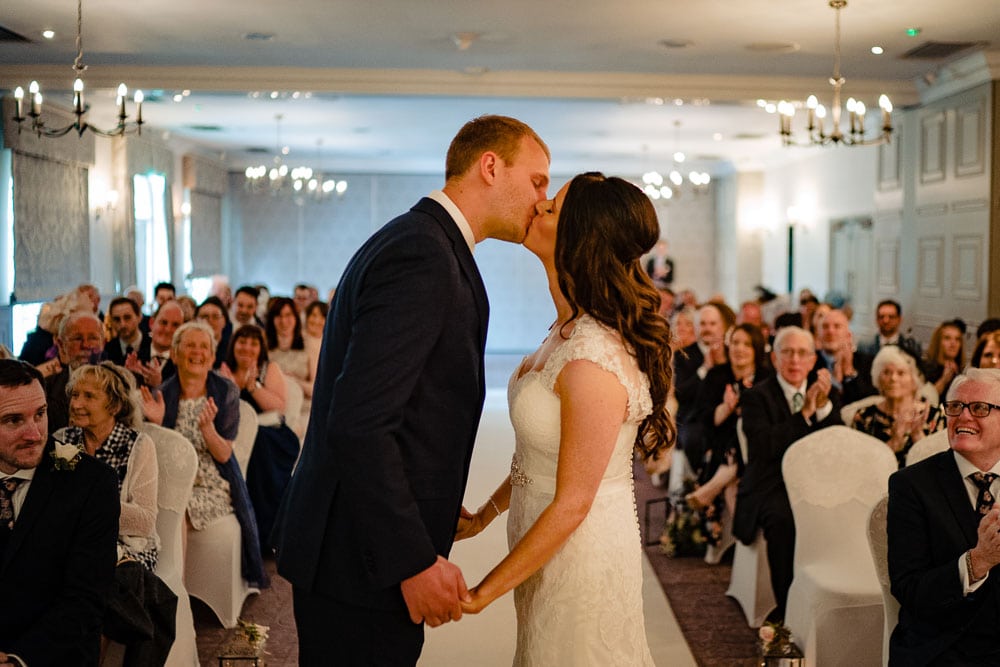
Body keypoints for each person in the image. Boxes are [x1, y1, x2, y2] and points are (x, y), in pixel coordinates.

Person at [271, 115, 550, 665]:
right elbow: (360, 424)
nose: (543, 200)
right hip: (360, 559)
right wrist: (412, 562)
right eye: (538, 180)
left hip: (359, 547)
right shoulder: (423, 254)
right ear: (490, 167)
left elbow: (412, 411)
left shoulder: (425, 242)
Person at [455, 173, 672, 664]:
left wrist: (480, 593)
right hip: (543, 542)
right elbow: (544, 454)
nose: (537, 207)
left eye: (551, 207)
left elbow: (574, 501)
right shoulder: (564, 329)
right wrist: (485, 516)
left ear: (581, 237)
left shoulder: (592, 357)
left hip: (580, 556)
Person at [0, 359, 119, 666]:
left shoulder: (89, 483)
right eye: (13, 420)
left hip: (48, 655)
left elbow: (85, 600)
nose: (35, 434)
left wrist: (17, 659)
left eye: (40, 414)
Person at [57, 362, 177, 664]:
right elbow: (58, 503)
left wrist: (88, 508)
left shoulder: (136, 445)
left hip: (128, 550)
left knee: (93, 595)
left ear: (113, 404)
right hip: (74, 545)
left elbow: (145, 520)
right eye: (75, 395)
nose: (77, 404)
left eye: (89, 396)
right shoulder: (66, 442)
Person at [141, 321, 267, 589]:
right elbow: (160, 456)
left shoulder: (225, 392)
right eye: (189, 345)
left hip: (212, 484)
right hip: (173, 480)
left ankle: (176, 592)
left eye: (203, 347)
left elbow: (224, 456)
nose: (196, 352)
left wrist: (208, 430)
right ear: (174, 354)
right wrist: (158, 424)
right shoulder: (162, 393)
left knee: (179, 508)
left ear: (212, 356)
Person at [887, 368, 1000, 665]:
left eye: (979, 408)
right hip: (944, 645)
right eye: (954, 407)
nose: (963, 417)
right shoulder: (912, 486)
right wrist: (978, 561)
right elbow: (909, 590)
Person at [733, 326, 842, 621]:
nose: (795, 360)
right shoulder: (756, 397)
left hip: (816, 485)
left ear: (812, 360)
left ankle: (831, 603)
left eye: (803, 353)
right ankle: (788, 610)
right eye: (788, 352)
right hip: (770, 484)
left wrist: (821, 408)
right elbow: (764, 447)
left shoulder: (827, 393)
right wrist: (803, 414)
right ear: (774, 358)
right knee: (784, 519)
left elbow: (836, 443)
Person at [686, 323, 773, 553]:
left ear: (756, 349)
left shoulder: (767, 377)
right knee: (733, 482)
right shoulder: (717, 375)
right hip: (720, 445)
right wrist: (726, 407)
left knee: (744, 434)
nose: (740, 349)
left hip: (757, 449)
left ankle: (710, 490)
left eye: (746, 344)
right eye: (735, 342)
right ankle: (748, 547)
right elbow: (704, 420)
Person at [219, 324, 299, 552]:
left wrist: (252, 386)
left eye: (253, 343)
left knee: (259, 445)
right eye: (242, 341)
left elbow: (279, 407)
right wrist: (233, 387)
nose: (247, 347)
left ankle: (268, 534)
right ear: (233, 344)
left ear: (261, 347)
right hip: (236, 435)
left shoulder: (268, 368)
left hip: (273, 436)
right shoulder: (224, 369)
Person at [852, 345, 944, 468]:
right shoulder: (864, 416)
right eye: (886, 372)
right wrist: (894, 442)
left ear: (915, 380)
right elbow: (860, 467)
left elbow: (940, 468)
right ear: (878, 378)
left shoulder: (935, 416)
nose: (893, 378)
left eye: (901, 373)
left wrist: (918, 436)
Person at [43, 311, 105, 432]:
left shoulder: (118, 385)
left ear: (103, 343)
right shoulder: (46, 389)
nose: (86, 345)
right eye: (77, 338)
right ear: (61, 345)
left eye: (93, 338)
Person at [813, 308, 877, 405]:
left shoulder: (867, 362)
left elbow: (868, 401)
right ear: (818, 334)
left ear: (848, 335)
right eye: (825, 327)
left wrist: (849, 371)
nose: (830, 331)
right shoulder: (809, 362)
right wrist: (835, 382)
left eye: (837, 326)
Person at [265, 297, 314, 410]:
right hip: (274, 408)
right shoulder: (264, 345)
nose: (283, 321)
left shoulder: (308, 343)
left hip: (304, 407)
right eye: (279, 316)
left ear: (296, 317)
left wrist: (294, 380)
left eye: (288, 315)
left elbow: (315, 388)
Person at [126, 300, 184, 387]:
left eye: (175, 325)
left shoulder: (184, 364)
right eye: (163, 322)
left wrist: (159, 386)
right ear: (152, 323)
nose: (168, 330)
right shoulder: (133, 358)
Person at [858, 299, 923, 361]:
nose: (886, 321)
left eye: (891, 317)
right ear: (876, 320)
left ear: (899, 319)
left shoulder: (912, 345)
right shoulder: (864, 346)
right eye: (881, 317)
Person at [923, 318, 966, 401]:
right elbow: (924, 400)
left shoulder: (962, 372)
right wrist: (944, 380)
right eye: (947, 338)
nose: (953, 343)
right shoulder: (925, 368)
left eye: (957, 339)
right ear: (938, 341)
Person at [104, 296, 150, 367]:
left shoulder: (152, 345)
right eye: (117, 319)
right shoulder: (107, 350)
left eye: (127, 318)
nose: (122, 324)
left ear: (139, 317)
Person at [196, 296, 232, 369]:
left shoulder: (232, 351)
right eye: (204, 316)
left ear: (224, 321)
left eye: (215, 317)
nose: (210, 321)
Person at [303, 300, 328, 383]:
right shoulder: (298, 338)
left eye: (322, 317)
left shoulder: (328, 343)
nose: (317, 321)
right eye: (313, 315)